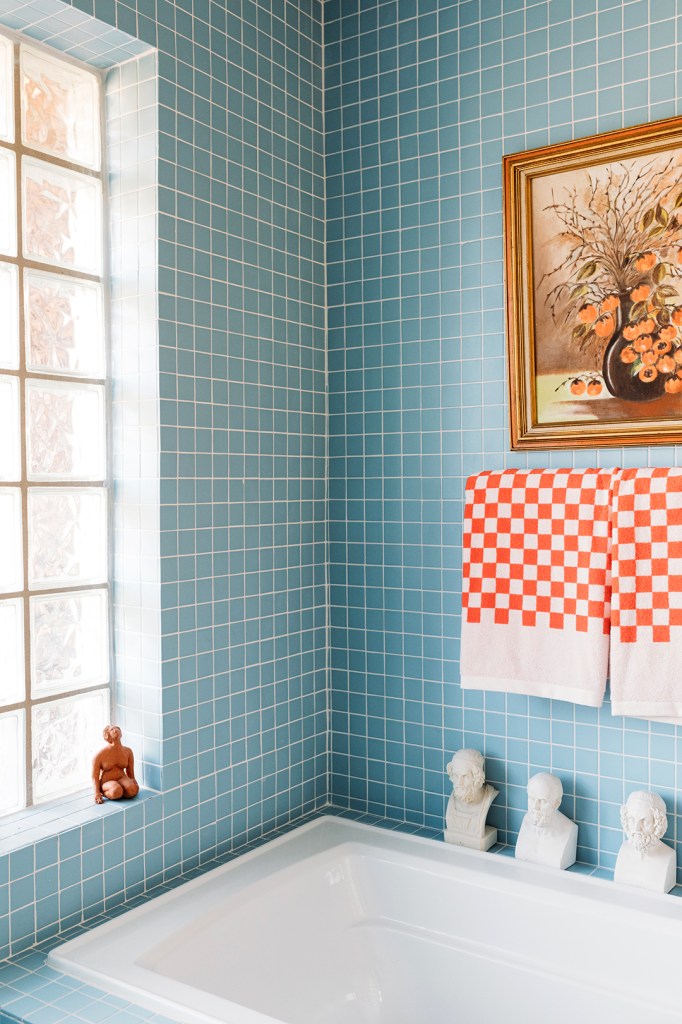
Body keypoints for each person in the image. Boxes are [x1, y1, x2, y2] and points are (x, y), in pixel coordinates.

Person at [614, 791, 676, 894]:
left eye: (645, 821)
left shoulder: (668, 857)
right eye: (632, 820)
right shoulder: (623, 852)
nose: (637, 828)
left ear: (658, 823)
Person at [515, 772, 577, 870]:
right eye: (531, 798)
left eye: (542, 801)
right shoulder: (526, 821)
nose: (535, 807)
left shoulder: (568, 830)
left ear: (557, 803)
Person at [444, 749, 498, 850]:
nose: (459, 782)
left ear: (477, 777)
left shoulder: (489, 796)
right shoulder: (454, 797)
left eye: (465, 776)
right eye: (456, 775)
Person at [92, 725, 139, 804]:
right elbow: (95, 776)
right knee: (116, 791)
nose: (115, 730)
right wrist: (97, 792)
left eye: (116, 728)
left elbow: (130, 772)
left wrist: (133, 782)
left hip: (121, 778)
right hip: (107, 782)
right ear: (107, 736)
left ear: (121, 733)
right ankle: (106, 791)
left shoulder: (128, 752)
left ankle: (121, 790)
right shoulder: (100, 755)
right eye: (111, 729)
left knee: (133, 790)